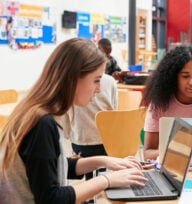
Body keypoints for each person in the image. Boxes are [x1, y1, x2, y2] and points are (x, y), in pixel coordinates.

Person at [0, 38, 147, 204]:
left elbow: (59, 167)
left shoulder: (40, 113)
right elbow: (51, 199)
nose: (98, 90)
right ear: (73, 79)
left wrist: (104, 161)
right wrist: (107, 180)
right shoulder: (42, 124)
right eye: (96, 80)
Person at [142, 45, 192, 161]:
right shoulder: (159, 103)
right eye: (185, 76)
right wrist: (178, 152)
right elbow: (148, 153)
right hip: (171, 169)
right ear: (173, 77)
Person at [61, 74, 117, 181]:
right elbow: (114, 112)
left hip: (82, 143)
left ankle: (93, 191)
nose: (99, 89)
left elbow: (66, 130)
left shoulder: (70, 83)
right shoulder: (110, 81)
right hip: (108, 143)